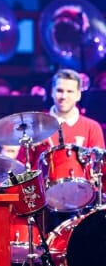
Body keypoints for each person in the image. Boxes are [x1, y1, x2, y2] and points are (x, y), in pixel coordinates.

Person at [17, 68, 105, 233]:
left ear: (79, 94)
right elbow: (22, 167)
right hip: (44, 203)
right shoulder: (36, 125)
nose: (63, 96)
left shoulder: (92, 127)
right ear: (52, 92)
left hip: (83, 200)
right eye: (59, 90)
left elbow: (99, 166)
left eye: (70, 91)